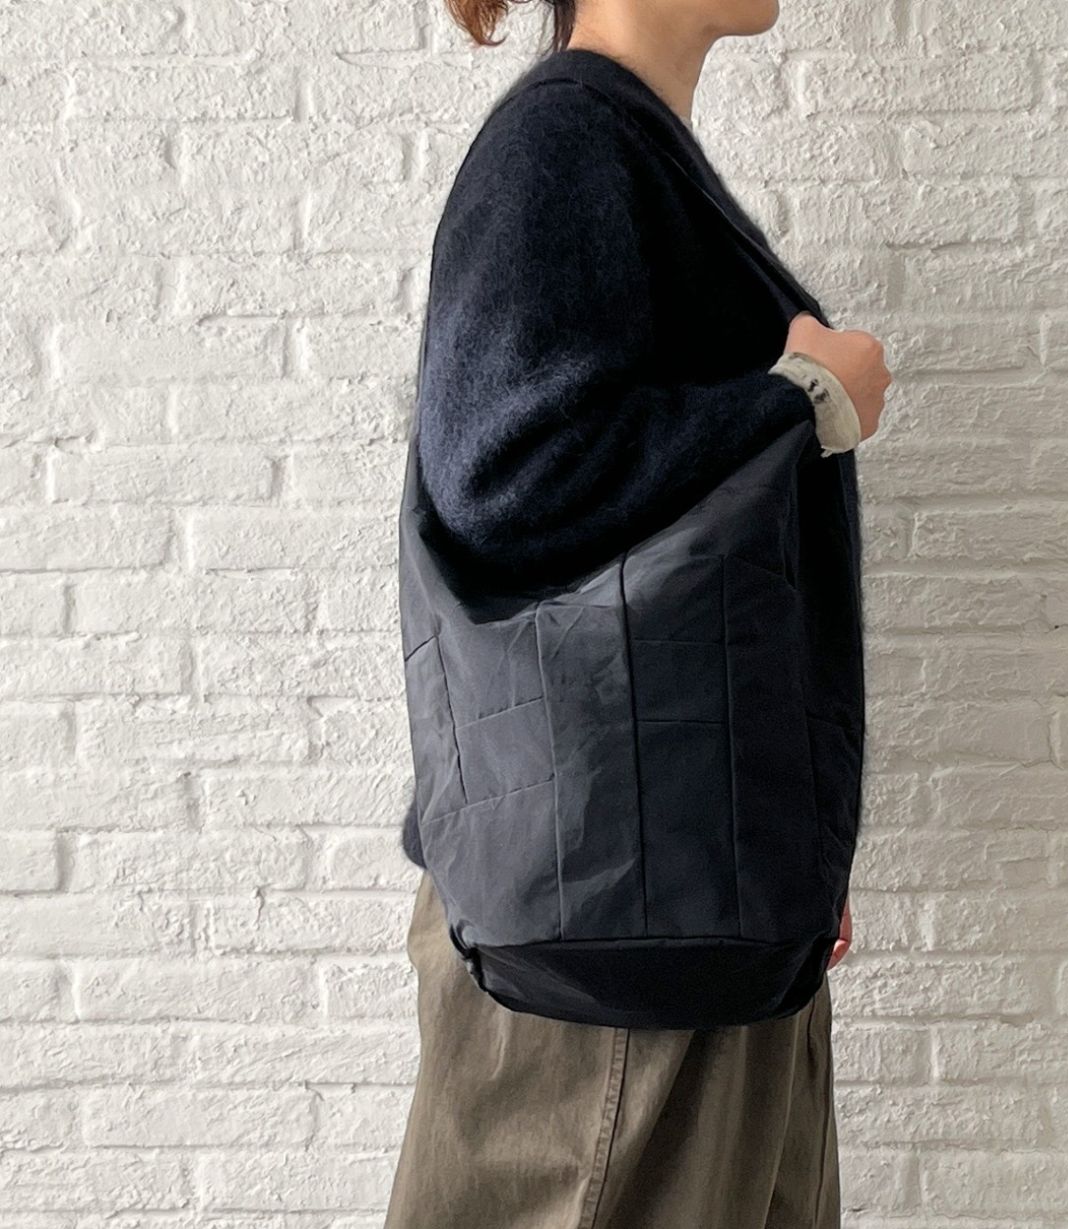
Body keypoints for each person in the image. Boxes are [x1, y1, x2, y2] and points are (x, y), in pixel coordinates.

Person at [384, 0, 892, 1225]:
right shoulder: (563, 143)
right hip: (613, 956)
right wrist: (801, 397)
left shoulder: (623, 147)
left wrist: (791, 832)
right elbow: (509, 468)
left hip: (675, 914)